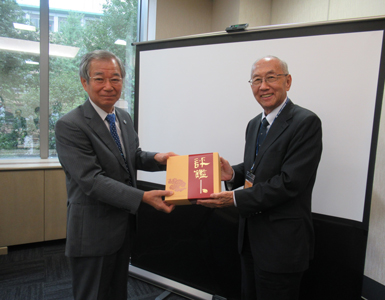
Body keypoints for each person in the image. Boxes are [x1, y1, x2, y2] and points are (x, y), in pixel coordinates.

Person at [197, 56, 323, 300]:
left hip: (281, 245)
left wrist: (233, 199)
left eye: (271, 78)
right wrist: (232, 173)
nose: (263, 86)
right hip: (250, 239)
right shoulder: (255, 124)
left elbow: (288, 183)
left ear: (288, 81)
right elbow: (257, 168)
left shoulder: (305, 122)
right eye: (256, 80)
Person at [55, 50, 176, 300]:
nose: (109, 86)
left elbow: (130, 156)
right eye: (99, 79)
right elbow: (92, 180)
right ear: (84, 82)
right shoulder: (70, 125)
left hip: (123, 228)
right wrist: (142, 197)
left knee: (117, 292)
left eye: (116, 78)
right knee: (94, 294)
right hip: (93, 232)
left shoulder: (122, 117)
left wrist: (157, 159)